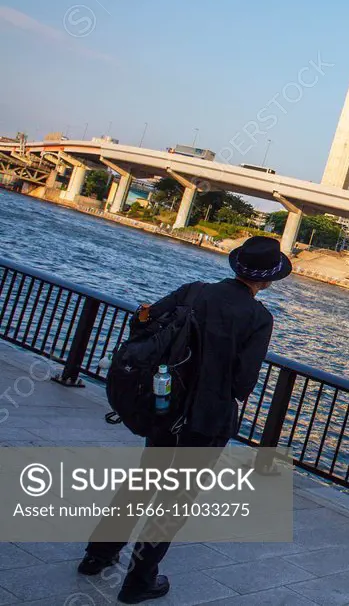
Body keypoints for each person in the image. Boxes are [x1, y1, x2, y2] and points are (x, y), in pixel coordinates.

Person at [77, 236, 291, 604]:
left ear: (237, 265)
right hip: (206, 421)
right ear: (268, 280)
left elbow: (145, 325)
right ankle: (138, 581)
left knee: (142, 482)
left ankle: (97, 556)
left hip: (164, 405)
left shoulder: (194, 292)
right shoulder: (258, 318)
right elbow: (243, 381)